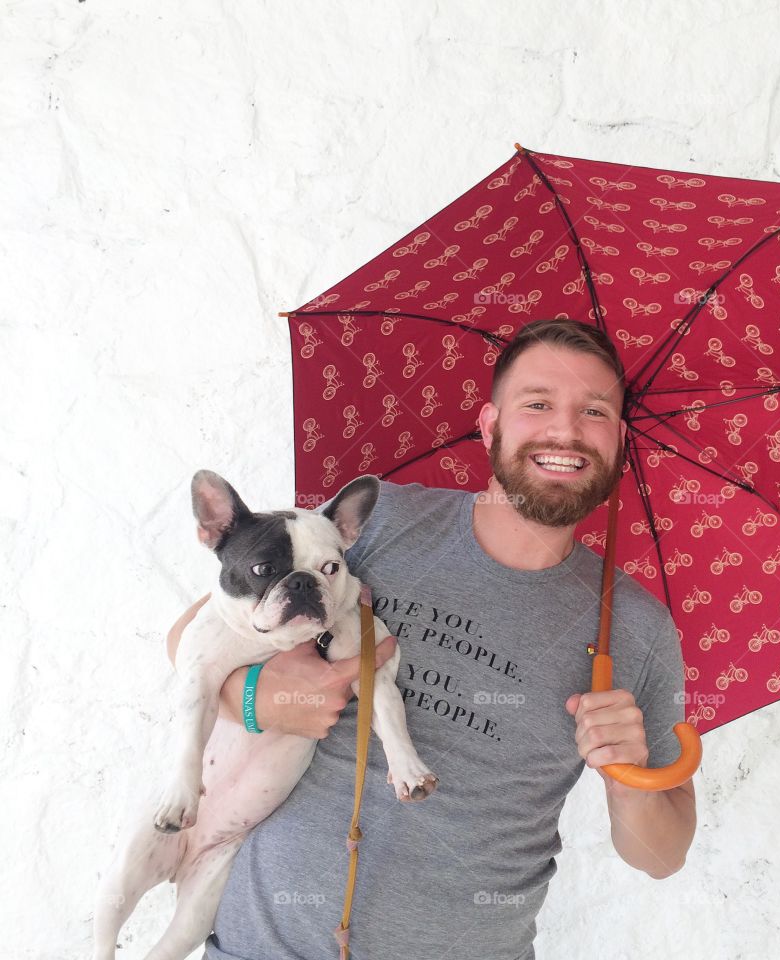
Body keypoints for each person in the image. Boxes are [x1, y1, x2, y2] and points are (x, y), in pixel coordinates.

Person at [167, 318, 697, 960]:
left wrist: (625, 774)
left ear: (618, 439)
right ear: (490, 423)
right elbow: (188, 639)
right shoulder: (378, 519)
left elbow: (662, 855)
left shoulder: (637, 628)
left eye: (595, 411)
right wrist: (257, 695)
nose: (565, 430)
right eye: (537, 405)